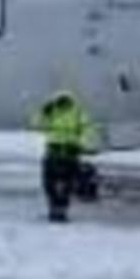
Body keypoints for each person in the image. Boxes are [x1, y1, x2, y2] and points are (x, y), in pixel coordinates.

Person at [30, 89, 96, 222]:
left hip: (64, 152)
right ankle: (57, 209)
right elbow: (36, 123)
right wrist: (43, 112)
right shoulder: (56, 111)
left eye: (64, 100)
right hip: (59, 152)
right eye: (61, 100)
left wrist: (82, 144)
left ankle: (59, 209)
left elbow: (87, 129)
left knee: (61, 183)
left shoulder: (74, 112)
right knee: (56, 183)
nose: (62, 103)